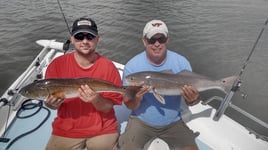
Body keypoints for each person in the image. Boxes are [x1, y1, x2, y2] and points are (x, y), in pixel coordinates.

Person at [117, 20, 200, 150]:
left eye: (161, 39)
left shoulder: (182, 63)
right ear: (144, 41)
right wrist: (137, 98)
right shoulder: (132, 67)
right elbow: (128, 104)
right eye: (151, 40)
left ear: (167, 40)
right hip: (141, 121)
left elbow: (192, 101)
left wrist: (193, 100)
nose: (157, 44)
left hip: (174, 123)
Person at [45, 17, 122, 150]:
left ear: (97, 39)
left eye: (90, 36)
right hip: (67, 129)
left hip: (103, 129)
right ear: (72, 39)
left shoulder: (109, 67)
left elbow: (108, 107)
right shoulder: (56, 65)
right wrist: (50, 104)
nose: (85, 41)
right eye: (79, 36)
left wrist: (96, 100)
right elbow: (52, 105)